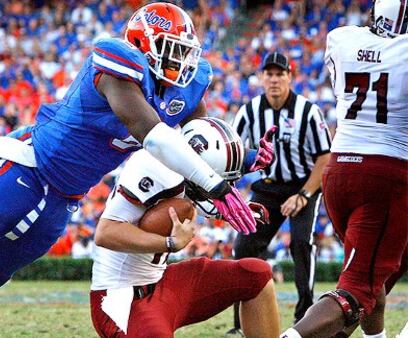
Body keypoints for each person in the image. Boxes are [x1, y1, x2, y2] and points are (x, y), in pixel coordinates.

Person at [0, 3, 257, 337]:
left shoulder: (184, 88)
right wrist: (216, 186)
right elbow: (151, 134)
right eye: (171, 52)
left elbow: (198, 141)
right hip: (27, 167)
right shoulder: (115, 66)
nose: (181, 64)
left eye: (185, 53)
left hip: (66, 196)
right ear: (141, 45)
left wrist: (246, 161)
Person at [281, 1, 407, 337]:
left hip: (339, 172)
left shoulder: (342, 39)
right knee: (357, 289)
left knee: (371, 275)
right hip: (384, 175)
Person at [90, 117, 280, 338]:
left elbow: (192, 194)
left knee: (256, 274)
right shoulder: (151, 166)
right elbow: (105, 233)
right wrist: (169, 243)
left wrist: (246, 161)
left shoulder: (179, 165)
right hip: (121, 299)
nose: (220, 187)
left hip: (162, 282)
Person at [228, 51, 332, 334]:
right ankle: (242, 320)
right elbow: (234, 152)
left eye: (280, 74)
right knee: (244, 247)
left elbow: (325, 158)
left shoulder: (309, 111)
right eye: (269, 74)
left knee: (300, 243)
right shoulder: (249, 111)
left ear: (290, 76)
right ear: (261, 77)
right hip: (268, 188)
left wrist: (304, 196)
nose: (274, 79)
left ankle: (305, 315)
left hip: (303, 186)